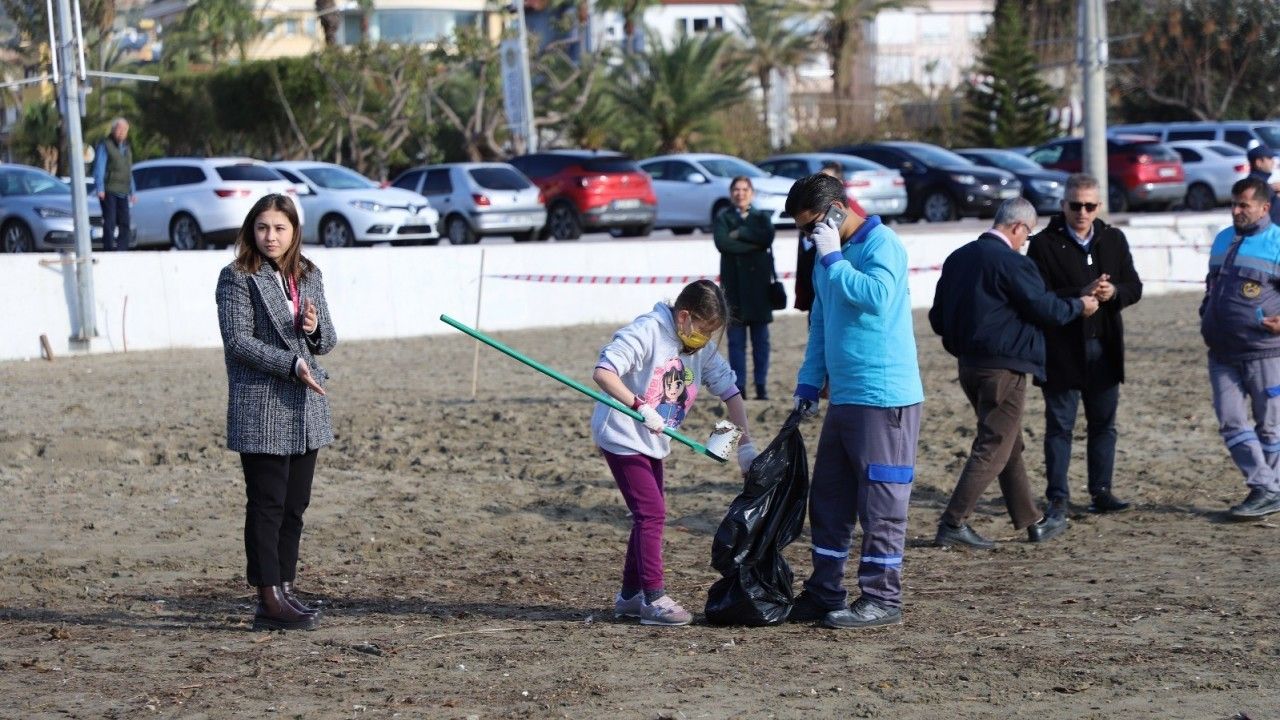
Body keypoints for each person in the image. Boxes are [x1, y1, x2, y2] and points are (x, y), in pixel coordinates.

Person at [782, 173, 923, 630]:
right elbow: (820, 324)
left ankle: (882, 597)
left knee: (881, 500)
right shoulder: (826, 259)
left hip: (885, 399)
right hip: (845, 397)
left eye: (811, 225)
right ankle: (825, 591)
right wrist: (808, 383)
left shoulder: (883, 245)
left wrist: (835, 259)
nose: (809, 236)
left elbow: (879, 298)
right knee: (829, 498)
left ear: (838, 208)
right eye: (803, 230)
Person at [929, 197, 1099, 549]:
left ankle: (1031, 520)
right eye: (1027, 233)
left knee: (1009, 441)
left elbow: (937, 317)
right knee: (994, 443)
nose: (1026, 241)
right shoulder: (1011, 262)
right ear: (1018, 227)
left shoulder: (958, 257)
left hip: (969, 365)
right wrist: (1080, 305)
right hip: (1004, 367)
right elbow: (1044, 310)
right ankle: (953, 522)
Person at [592, 280, 758, 626]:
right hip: (623, 432)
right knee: (652, 513)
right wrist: (639, 405)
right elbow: (604, 372)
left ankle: (629, 596)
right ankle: (653, 597)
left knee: (647, 515)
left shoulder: (699, 348)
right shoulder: (647, 331)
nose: (704, 340)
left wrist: (745, 444)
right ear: (684, 316)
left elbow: (730, 391)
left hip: (654, 438)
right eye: (703, 330)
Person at [215, 194, 336, 631]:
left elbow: (328, 340)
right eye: (263, 227)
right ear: (251, 229)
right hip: (262, 405)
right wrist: (291, 363)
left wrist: (313, 327)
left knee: (295, 506)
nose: (271, 236)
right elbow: (238, 342)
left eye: (280, 228)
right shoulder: (236, 277)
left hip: (307, 406)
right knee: (267, 504)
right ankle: (267, 598)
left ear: (294, 231)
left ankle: (285, 587)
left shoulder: (308, 273)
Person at [1027, 173, 1143, 519]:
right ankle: (1058, 496)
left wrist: (1114, 293)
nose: (1082, 211)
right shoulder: (1043, 244)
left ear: (1098, 207)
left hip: (1105, 347)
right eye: (1075, 205)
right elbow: (1036, 296)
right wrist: (1078, 294)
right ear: (1063, 205)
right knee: (1060, 427)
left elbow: (1134, 286)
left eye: (1089, 206)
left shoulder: (1113, 239)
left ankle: (1101, 491)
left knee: (1103, 425)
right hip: (1062, 350)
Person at [1202, 176, 1280, 519]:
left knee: (1270, 428)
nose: (1236, 211)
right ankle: (1265, 486)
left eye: (1243, 205)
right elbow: (1211, 285)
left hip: (1265, 351)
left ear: (1265, 207)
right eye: (1233, 204)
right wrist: (1206, 311)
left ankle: (1268, 489)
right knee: (1231, 420)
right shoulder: (1222, 239)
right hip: (1221, 352)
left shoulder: (1278, 242)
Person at [713, 176, 777, 400]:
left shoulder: (761, 217)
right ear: (731, 193)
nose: (740, 193)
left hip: (759, 291)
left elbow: (767, 237)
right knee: (736, 344)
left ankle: (761, 386)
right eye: (736, 190)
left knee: (761, 344)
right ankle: (739, 386)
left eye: (744, 189)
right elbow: (722, 243)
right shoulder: (723, 218)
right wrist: (753, 245)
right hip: (734, 291)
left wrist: (740, 234)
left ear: (752, 192)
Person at [92, 117, 136, 251]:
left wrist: (132, 191)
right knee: (110, 221)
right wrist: (100, 188)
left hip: (123, 190)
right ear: (113, 130)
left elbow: (128, 170)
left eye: (125, 130)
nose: (122, 132)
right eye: (119, 129)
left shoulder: (127, 148)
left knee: (125, 222)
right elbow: (99, 168)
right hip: (109, 189)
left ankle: (122, 250)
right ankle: (108, 249)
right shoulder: (105, 145)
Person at [1245, 145, 1280, 226]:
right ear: (1259, 162)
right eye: (1270, 159)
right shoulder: (1255, 185)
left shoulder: (1257, 183)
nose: (1273, 162)